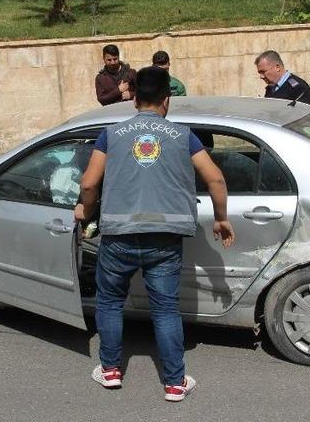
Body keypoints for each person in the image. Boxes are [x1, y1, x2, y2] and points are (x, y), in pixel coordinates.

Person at [75, 66, 235, 402]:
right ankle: (175, 383)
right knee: (165, 310)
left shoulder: (112, 134)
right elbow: (216, 178)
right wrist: (221, 218)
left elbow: (89, 183)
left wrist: (85, 212)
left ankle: (110, 370)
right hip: (165, 239)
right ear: (167, 99)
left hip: (118, 236)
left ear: (134, 98)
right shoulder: (183, 135)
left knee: (109, 302)